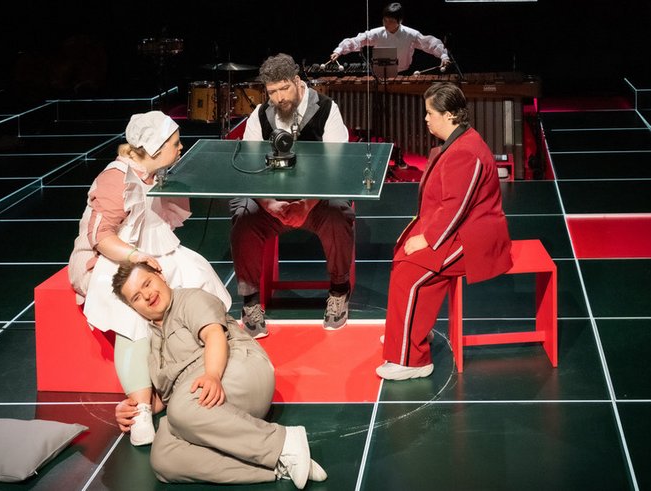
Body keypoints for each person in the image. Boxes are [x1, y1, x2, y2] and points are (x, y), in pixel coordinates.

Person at [67, 111, 232, 445]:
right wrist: (135, 257)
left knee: (194, 275)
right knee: (131, 312)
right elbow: (101, 236)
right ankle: (142, 408)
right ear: (154, 149)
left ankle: (205, 365)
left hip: (150, 253)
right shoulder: (117, 179)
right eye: (174, 143)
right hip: (109, 257)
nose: (180, 147)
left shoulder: (157, 174)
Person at [112, 262, 328, 489]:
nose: (147, 295)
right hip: (203, 406)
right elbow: (166, 399)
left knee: (181, 408)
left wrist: (212, 375)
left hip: (237, 369)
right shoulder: (153, 344)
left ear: (160, 276)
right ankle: (278, 465)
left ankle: (283, 442)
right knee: (164, 458)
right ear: (133, 307)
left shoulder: (190, 299)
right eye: (136, 297)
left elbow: (214, 335)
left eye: (147, 283)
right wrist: (134, 410)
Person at [377, 82, 512, 381]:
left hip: (474, 239)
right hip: (457, 229)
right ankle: (405, 336)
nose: (425, 119)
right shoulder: (455, 144)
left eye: (430, 113)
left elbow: (457, 206)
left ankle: (412, 360)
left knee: (413, 274)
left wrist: (426, 238)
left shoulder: (466, 152)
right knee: (403, 255)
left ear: (450, 115)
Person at [232, 53, 355, 338]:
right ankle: (250, 301)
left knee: (339, 209)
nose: (278, 98)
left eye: (283, 89)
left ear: (297, 81)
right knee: (243, 212)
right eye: (272, 92)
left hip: (316, 203)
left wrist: (306, 205)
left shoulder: (326, 109)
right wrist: (268, 203)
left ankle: (339, 289)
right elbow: (249, 169)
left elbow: (337, 169)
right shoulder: (261, 115)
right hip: (272, 205)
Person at [330, 2, 450, 74]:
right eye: (385, 20)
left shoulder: (411, 34)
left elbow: (430, 43)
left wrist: (443, 55)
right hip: (380, 75)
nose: (386, 24)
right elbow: (357, 41)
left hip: (404, 74)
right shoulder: (377, 33)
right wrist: (339, 50)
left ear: (400, 21)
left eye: (391, 21)